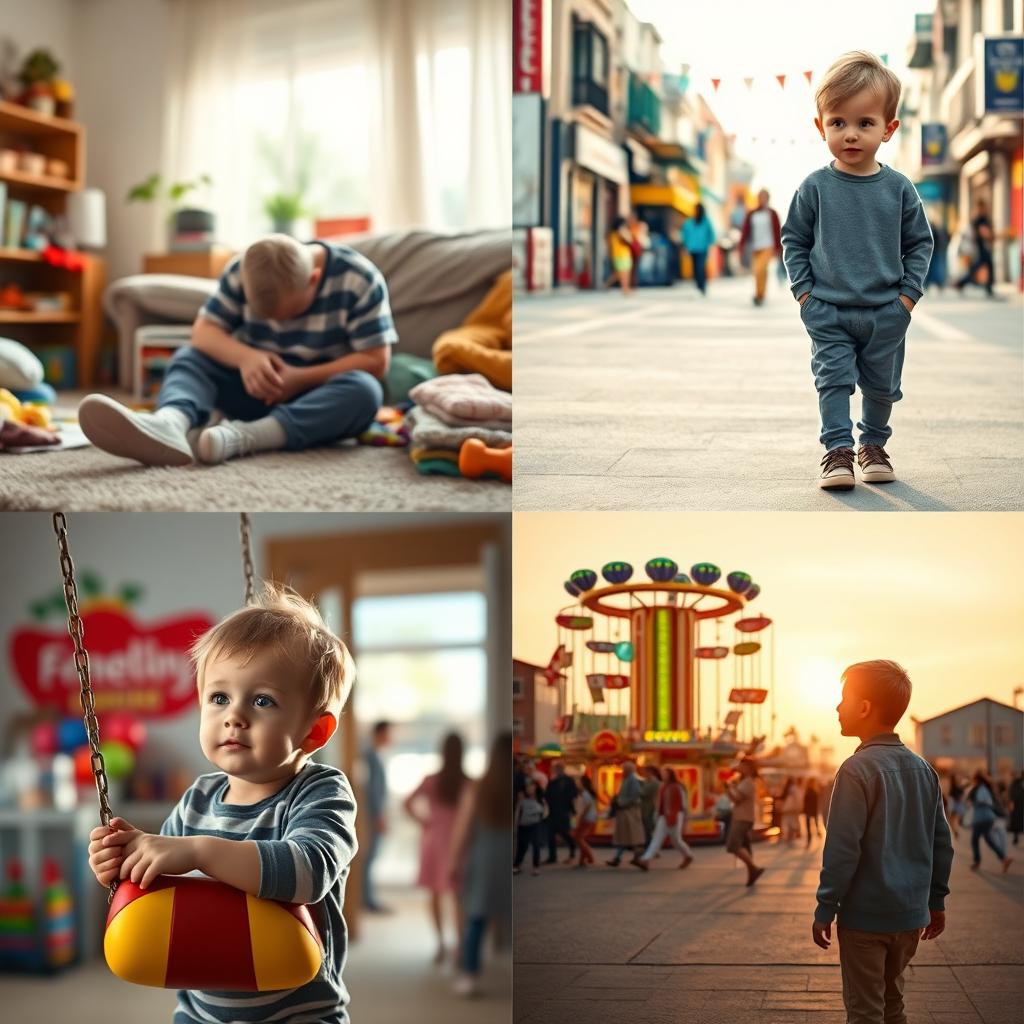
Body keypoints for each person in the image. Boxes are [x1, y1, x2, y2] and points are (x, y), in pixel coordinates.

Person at [87, 582, 358, 1024]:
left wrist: (198, 850)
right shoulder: (199, 798)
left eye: (262, 700)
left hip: (300, 1014)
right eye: (219, 697)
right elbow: (158, 878)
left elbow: (308, 871)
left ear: (315, 732)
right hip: (201, 1013)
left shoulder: (320, 791)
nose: (234, 714)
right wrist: (122, 859)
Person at [78, 233, 393, 466]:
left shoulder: (360, 279)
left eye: (287, 315)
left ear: (314, 279)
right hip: (249, 386)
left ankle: (245, 437)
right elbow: (203, 332)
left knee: (366, 391)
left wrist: (301, 378)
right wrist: (247, 357)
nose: (277, 325)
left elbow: (376, 360)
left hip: (314, 400)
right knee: (190, 356)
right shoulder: (241, 270)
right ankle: (171, 423)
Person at [781, 52, 933, 492]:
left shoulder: (899, 188)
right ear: (820, 126)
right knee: (832, 380)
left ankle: (873, 445)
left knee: (882, 387)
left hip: (887, 310)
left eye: (865, 123)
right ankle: (837, 452)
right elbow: (794, 240)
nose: (850, 134)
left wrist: (906, 299)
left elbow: (919, 243)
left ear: (888, 129)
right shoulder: (813, 187)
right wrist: (805, 295)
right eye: (838, 123)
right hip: (827, 309)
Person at [812, 660, 954, 1024]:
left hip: (866, 918)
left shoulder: (856, 770)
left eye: (843, 698)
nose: (837, 707)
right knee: (893, 1002)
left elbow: (843, 849)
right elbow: (942, 842)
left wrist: (825, 906)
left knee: (864, 1009)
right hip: (910, 917)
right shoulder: (924, 770)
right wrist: (936, 900)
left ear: (864, 707)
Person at [450, 732, 512, 998]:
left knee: (477, 917)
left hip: (485, 855)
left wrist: (453, 861)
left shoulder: (480, 786)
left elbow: (463, 828)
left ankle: (469, 974)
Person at [403, 731, 469, 964]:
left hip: (432, 840)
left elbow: (407, 803)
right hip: (458, 843)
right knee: (458, 897)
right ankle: (461, 946)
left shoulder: (432, 780)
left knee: (434, 894)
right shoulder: (467, 782)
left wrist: (424, 821)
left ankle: (441, 943)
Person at [637, 766, 694, 870]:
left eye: (665, 773)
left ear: (670, 775)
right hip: (664, 815)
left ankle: (688, 856)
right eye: (662, 773)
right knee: (657, 838)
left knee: (676, 840)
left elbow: (684, 804)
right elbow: (659, 803)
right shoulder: (663, 787)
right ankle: (645, 859)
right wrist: (657, 814)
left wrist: (686, 818)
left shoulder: (678, 787)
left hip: (676, 815)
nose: (663, 775)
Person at [362, 719, 392, 913]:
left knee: (371, 858)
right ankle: (367, 900)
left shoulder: (374, 756)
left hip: (375, 816)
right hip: (372, 817)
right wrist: (378, 815)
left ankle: (368, 898)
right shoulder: (370, 757)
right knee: (368, 858)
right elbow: (372, 791)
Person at [738, 188, 782, 306]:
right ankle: (760, 293)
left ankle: (759, 295)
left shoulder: (772, 213)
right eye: (761, 197)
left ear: (768, 199)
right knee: (757, 271)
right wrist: (741, 246)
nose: (763, 200)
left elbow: (778, 231)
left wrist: (779, 248)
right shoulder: (752, 213)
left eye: (765, 197)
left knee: (761, 269)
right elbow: (745, 231)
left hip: (768, 246)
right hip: (755, 246)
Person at [724, 759, 765, 886]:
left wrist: (729, 788)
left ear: (748, 768)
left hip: (743, 818)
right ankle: (752, 871)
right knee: (745, 847)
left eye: (742, 765)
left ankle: (754, 868)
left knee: (733, 845)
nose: (739, 767)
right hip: (742, 817)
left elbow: (737, 799)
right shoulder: (744, 781)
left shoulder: (748, 783)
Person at [965, 769, 1013, 873]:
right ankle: (1004, 859)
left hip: (982, 818)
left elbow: (985, 801)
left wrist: (973, 803)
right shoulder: (983, 787)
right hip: (986, 818)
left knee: (974, 840)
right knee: (988, 839)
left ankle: (977, 862)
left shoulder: (981, 788)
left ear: (976, 779)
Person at [954, 198, 996, 297]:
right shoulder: (978, 219)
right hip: (980, 248)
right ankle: (961, 283)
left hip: (983, 247)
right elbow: (983, 233)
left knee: (979, 267)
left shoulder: (983, 218)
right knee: (980, 267)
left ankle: (962, 283)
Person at [607, 760, 645, 867]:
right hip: (625, 810)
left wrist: (623, 802)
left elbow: (636, 794)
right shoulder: (628, 779)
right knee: (626, 836)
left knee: (629, 836)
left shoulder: (632, 779)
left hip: (628, 811)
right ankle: (618, 858)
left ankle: (635, 857)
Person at [543, 761, 578, 864]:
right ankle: (552, 857)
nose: (557, 770)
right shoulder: (552, 781)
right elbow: (547, 795)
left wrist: (572, 810)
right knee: (550, 835)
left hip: (564, 812)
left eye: (559, 768)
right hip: (553, 812)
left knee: (565, 833)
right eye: (556, 768)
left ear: (563, 768)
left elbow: (574, 795)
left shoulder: (569, 780)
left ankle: (572, 852)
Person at [681, 204, 717, 295]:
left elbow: (711, 234)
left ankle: (702, 287)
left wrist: (711, 243)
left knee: (700, 268)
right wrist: (685, 245)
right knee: (695, 268)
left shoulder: (706, 222)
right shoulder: (689, 222)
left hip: (702, 248)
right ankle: (698, 286)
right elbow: (684, 234)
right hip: (692, 248)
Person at [513, 780, 547, 875]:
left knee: (536, 845)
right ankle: (516, 865)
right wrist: (515, 826)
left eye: (532, 786)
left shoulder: (540, 799)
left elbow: (546, 811)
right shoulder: (522, 799)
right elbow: (517, 813)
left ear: (536, 787)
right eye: (528, 787)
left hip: (535, 825)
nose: (530, 789)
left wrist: (540, 815)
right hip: (523, 825)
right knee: (522, 846)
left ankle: (536, 867)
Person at [572, 773, 599, 868]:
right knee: (580, 838)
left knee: (578, 838)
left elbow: (586, 807)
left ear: (582, 783)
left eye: (578, 782)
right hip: (589, 818)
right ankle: (582, 861)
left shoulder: (585, 794)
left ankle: (589, 855)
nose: (576, 784)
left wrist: (580, 817)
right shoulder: (586, 793)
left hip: (586, 818)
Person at [605, 217, 634, 295]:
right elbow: (629, 240)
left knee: (621, 273)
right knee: (623, 273)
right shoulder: (618, 233)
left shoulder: (612, 234)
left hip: (623, 254)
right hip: (620, 255)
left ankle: (609, 284)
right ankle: (625, 289)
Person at [923, 217, 948, 292]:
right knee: (935, 268)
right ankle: (932, 284)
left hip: (938, 250)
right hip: (936, 251)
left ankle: (937, 284)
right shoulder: (935, 229)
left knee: (936, 268)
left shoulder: (938, 229)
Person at [639, 765, 661, 849]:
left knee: (648, 830)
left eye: (645, 771)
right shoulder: (648, 781)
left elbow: (643, 793)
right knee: (647, 830)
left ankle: (651, 848)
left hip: (649, 808)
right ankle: (651, 849)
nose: (644, 773)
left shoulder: (653, 782)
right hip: (646, 808)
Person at [781, 776, 804, 843]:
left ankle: (790, 836)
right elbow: (798, 798)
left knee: (789, 822)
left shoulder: (788, 788)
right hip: (793, 808)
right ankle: (792, 835)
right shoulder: (795, 788)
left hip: (787, 808)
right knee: (792, 822)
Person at [803, 777, 822, 846]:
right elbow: (806, 802)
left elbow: (815, 803)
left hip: (812, 811)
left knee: (814, 825)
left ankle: (817, 835)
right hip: (809, 811)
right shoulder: (811, 791)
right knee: (809, 826)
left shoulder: (812, 791)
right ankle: (810, 839)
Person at [947, 774, 966, 840]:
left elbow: (962, 797)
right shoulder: (954, 787)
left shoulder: (959, 787)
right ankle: (955, 831)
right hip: (954, 805)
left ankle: (955, 831)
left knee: (954, 819)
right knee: (952, 820)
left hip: (957, 805)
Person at [1009, 771, 1024, 847]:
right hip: (1018, 805)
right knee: (1016, 820)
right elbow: (1012, 792)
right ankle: (1015, 837)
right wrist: (1012, 803)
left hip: (1020, 804)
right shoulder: (1016, 782)